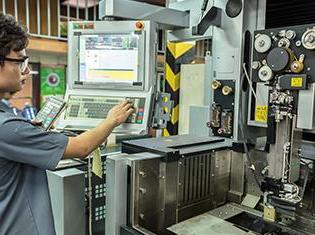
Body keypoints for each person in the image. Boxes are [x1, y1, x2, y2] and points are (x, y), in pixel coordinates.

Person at [0, 13, 134, 235]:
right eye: (20, 61)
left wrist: (30, 133)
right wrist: (112, 119)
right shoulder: (7, 127)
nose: (25, 70)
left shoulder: (9, 122)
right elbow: (81, 148)